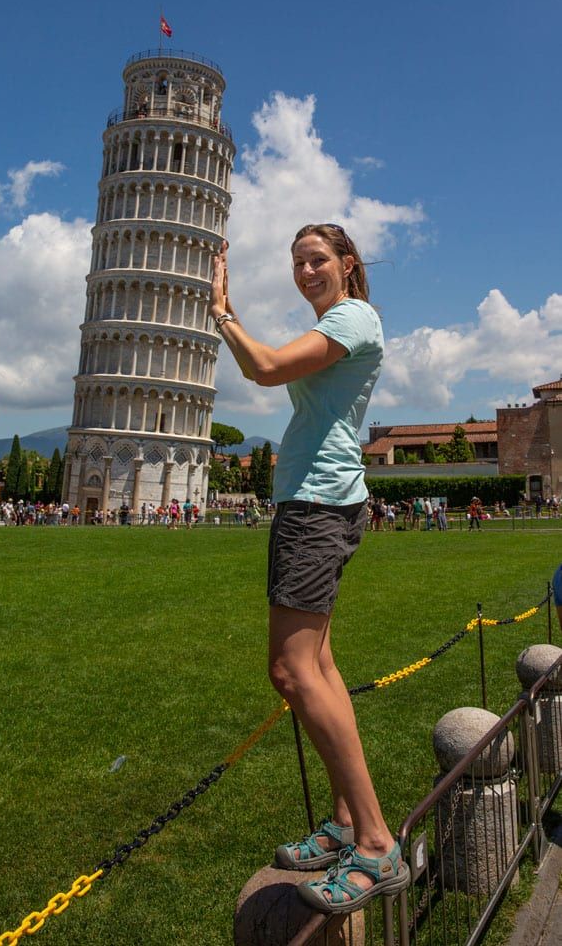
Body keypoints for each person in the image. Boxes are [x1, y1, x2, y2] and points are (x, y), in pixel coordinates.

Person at [210, 226, 409, 914]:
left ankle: (377, 845)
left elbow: (263, 367)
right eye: (296, 262)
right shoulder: (339, 323)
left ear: (347, 264)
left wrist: (222, 314)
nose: (303, 270)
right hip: (314, 502)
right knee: (316, 668)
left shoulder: (352, 316)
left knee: (293, 671)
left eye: (316, 259)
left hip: (317, 507)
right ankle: (351, 821)